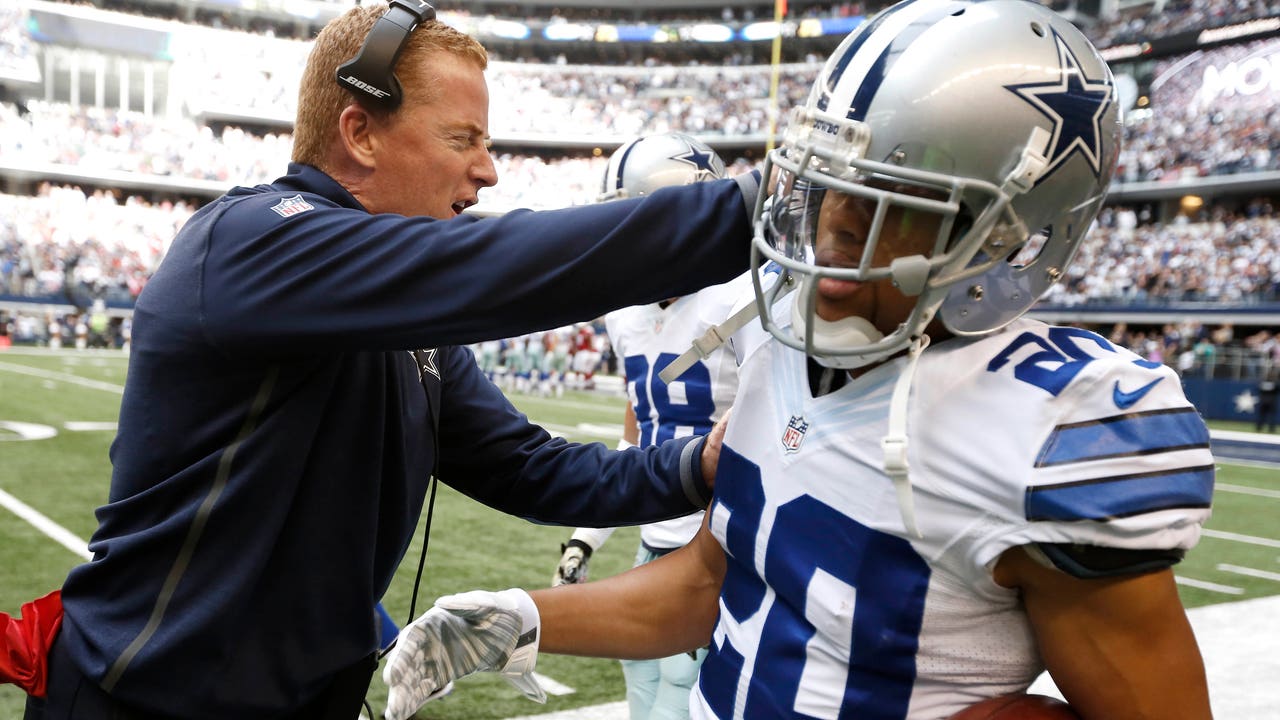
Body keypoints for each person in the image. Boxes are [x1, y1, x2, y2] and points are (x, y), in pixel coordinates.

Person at [381, 2, 1216, 719]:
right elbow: (707, 584)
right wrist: (522, 615)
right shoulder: (779, 345)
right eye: (821, 204)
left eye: (870, 228)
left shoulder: (1056, 429)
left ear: (1004, 236)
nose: (823, 259)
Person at [21, 2, 761, 719]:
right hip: (147, 701)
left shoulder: (402, 318)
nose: (489, 171)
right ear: (361, 133)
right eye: (462, 139)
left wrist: (697, 466)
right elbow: (503, 268)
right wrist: (756, 206)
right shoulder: (251, 242)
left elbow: (529, 467)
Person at [550, 132, 744, 720]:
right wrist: (586, 537)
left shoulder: (744, 299)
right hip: (652, 535)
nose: (625, 245)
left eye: (641, 225)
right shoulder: (628, 315)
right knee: (643, 695)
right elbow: (634, 439)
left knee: (681, 703)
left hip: (718, 548)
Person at [1257, 368, 1278, 432]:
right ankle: (1271, 429)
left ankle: (1259, 428)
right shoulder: (1274, 383)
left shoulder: (1263, 382)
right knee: (1270, 416)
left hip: (1264, 400)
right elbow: (1277, 390)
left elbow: (1260, 390)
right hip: (1271, 401)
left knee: (1263, 416)